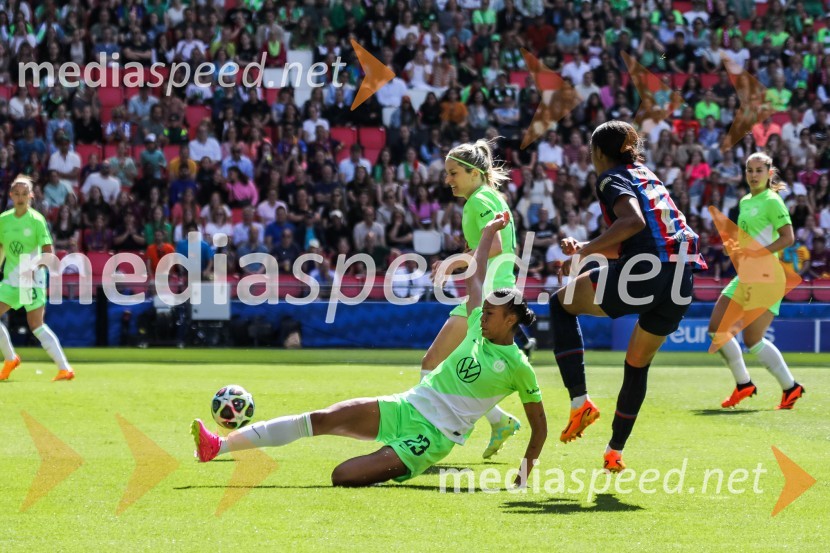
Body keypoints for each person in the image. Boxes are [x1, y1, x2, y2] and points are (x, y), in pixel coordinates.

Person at [192, 213, 546, 487]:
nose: (481, 317)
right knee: (321, 418)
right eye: (482, 311)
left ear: (511, 319)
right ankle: (218, 447)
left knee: (341, 476)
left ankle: (397, 459)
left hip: (431, 437)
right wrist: (486, 235)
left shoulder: (518, 366)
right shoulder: (474, 327)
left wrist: (524, 474)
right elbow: (476, 277)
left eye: (490, 314)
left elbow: (539, 428)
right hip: (407, 406)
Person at [549, 121, 704, 471]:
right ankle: (614, 451)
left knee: (559, 303)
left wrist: (586, 248)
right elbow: (647, 234)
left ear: (599, 153)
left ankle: (580, 402)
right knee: (637, 364)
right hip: (681, 276)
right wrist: (590, 251)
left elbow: (632, 222)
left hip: (647, 272)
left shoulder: (611, 177)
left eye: (591, 152)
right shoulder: (647, 175)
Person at [426, 139, 531, 459]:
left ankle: (425, 439)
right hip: (495, 291)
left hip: (487, 294)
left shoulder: (479, 199)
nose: (449, 180)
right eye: (447, 174)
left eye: (454, 173)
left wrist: (452, 262)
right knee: (459, 366)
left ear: (474, 173)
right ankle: (499, 422)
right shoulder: (490, 197)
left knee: (433, 363)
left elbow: (495, 246)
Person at [709, 152, 805, 410]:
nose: (753, 175)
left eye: (759, 170)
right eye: (749, 170)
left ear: (769, 173)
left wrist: (758, 252)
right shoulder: (744, 200)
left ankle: (791, 387)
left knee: (753, 341)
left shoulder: (773, 201)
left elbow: (788, 238)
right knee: (717, 329)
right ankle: (744, 384)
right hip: (746, 274)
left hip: (767, 275)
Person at [0, 175, 75, 382]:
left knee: (36, 325)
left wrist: (34, 268)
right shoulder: (3, 220)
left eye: (25, 193)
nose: (21, 197)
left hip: (30, 278)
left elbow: (49, 254)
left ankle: (64, 368)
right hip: (10, 278)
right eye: (17, 193)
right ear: (11, 195)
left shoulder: (36, 221)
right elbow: (1, 248)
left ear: (31, 196)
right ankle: (10, 359)